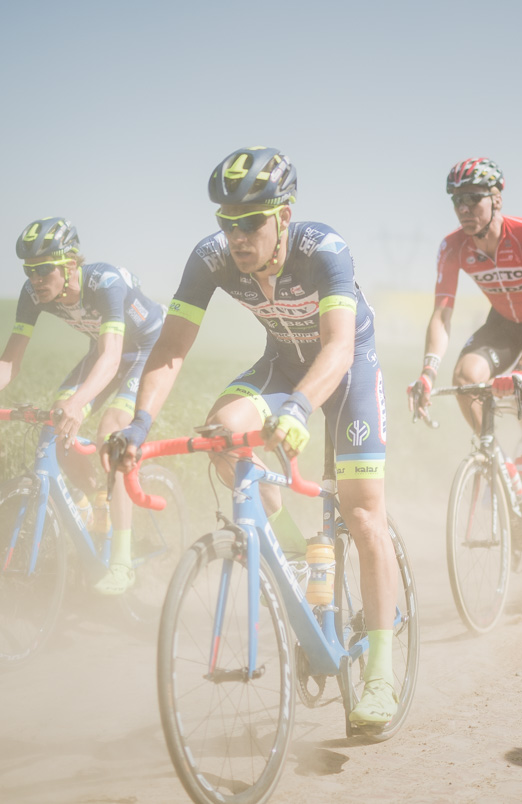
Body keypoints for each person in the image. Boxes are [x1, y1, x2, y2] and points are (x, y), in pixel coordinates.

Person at [105, 147, 398, 728]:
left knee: (363, 516)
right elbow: (171, 348)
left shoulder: (324, 250)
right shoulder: (211, 258)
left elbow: (339, 347)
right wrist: (139, 424)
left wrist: (299, 408)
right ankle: (289, 548)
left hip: (347, 369)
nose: (237, 236)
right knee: (224, 436)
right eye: (227, 222)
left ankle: (381, 674)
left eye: (252, 222)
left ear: (283, 217)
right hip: (282, 363)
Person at [0, 217, 164, 595]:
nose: (35, 278)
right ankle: (91, 504)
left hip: (146, 348)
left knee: (110, 432)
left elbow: (113, 358)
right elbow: (10, 360)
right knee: (56, 422)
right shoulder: (33, 294)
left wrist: (81, 403)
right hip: (105, 351)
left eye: (43, 269)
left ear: (70, 264)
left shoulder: (105, 283)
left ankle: (121, 562)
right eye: (29, 270)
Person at [408, 157, 522, 588]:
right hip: (502, 324)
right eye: (457, 200)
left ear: (496, 198)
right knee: (466, 377)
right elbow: (441, 316)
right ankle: (499, 462)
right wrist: (428, 372)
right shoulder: (452, 247)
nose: (464, 208)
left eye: (473, 199)